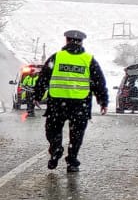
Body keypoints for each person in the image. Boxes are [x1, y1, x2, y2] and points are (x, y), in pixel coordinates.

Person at [34, 28, 109, 172]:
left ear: (67, 40)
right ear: (81, 42)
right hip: (80, 104)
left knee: (53, 130)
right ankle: (72, 161)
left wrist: (37, 96)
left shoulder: (56, 57)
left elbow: (43, 78)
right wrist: (103, 101)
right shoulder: (89, 60)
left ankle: (56, 148)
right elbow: (99, 82)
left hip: (57, 103)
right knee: (77, 134)